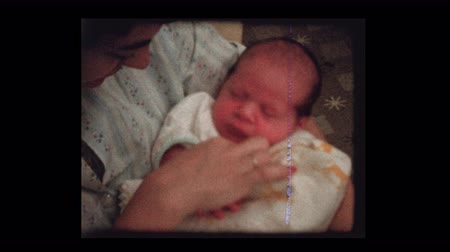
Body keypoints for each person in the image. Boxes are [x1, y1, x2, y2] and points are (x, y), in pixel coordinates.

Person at [81, 19, 338, 236]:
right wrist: (176, 175)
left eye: (268, 111)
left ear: (297, 123)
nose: (246, 113)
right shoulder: (199, 111)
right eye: (236, 94)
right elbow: (173, 142)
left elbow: (333, 187)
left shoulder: (298, 142)